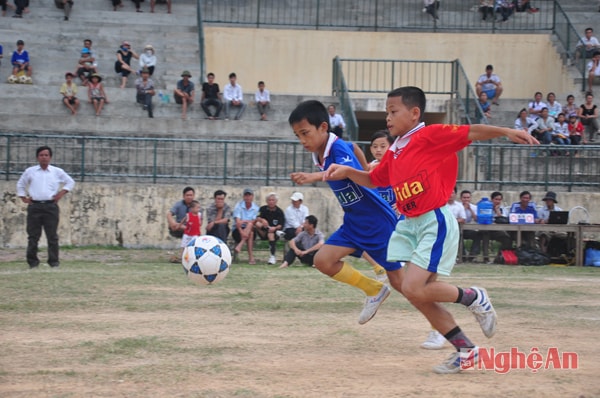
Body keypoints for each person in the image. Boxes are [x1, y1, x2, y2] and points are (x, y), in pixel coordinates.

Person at [324, 86, 538, 373]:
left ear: (414, 113)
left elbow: (471, 131)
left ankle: (474, 297)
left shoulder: (429, 135)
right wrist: (348, 171)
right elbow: (375, 179)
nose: (387, 118)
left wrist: (505, 131)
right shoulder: (396, 150)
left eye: (393, 111)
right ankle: (466, 350)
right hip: (408, 224)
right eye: (386, 112)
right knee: (415, 292)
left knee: (413, 287)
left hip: (432, 220)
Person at [288, 100, 401, 327]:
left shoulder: (335, 148)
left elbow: (340, 172)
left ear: (322, 127)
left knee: (406, 285)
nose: (302, 140)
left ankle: (444, 320)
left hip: (376, 221)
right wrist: (366, 169)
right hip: (353, 222)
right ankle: (374, 289)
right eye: (297, 135)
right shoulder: (321, 151)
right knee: (323, 260)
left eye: (305, 133)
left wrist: (314, 176)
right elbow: (355, 147)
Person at [16, 146, 75, 268]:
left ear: (50, 157)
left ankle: (53, 262)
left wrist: (60, 194)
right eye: (41, 155)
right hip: (35, 206)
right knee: (33, 236)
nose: (44, 157)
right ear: (37, 157)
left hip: (50, 206)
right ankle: (32, 262)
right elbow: (21, 184)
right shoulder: (30, 171)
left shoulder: (57, 171)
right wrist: (23, 197)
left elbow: (70, 182)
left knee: (52, 236)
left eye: (46, 155)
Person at [254, 192, 285, 265]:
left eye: (273, 200)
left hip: (274, 232)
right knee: (257, 224)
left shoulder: (279, 212)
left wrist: (275, 228)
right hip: (263, 231)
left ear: (276, 201)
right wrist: (262, 220)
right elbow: (257, 218)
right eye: (269, 200)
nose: (271, 202)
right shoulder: (262, 209)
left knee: (271, 234)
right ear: (267, 201)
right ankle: (269, 230)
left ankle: (272, 256)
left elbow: (281, 225)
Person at [167, 186, 195, 262]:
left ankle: (184, 257)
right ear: (183, 196)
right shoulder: (179, 204)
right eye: (187, 195)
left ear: (193, 196)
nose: (189, 197)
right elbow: (169, 214)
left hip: (191, 229)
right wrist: (173, 223)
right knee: (173, 225)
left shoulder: (196, 206)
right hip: (179, 228)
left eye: (191, 195)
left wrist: (182, 226)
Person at [232, 188, 260, 265]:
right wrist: (242, 233)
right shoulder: (239, 206)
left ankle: (240, 244)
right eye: (246, 195)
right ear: (244, 197)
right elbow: (238, 223)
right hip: (238, 231)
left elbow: (254, 221)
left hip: (249, 230)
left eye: (249, 195)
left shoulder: (256, 208)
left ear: (252, 196)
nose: (247, 197)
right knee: (250, 232)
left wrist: (244, 221)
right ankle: (251, 257)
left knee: (250, 226)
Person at [460, 190, 481, 260]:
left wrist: (470, 210)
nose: (466, 199)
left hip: (467, 228)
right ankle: (462, 255)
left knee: (478, 235)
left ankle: (472, 255)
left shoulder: (474, 207)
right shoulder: (458, 206)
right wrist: (464, 209)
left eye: (468, 198)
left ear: (470, 198)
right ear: (461, 198)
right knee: (458, 236)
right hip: (458, 228)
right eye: (464, 198)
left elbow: (476, 219)